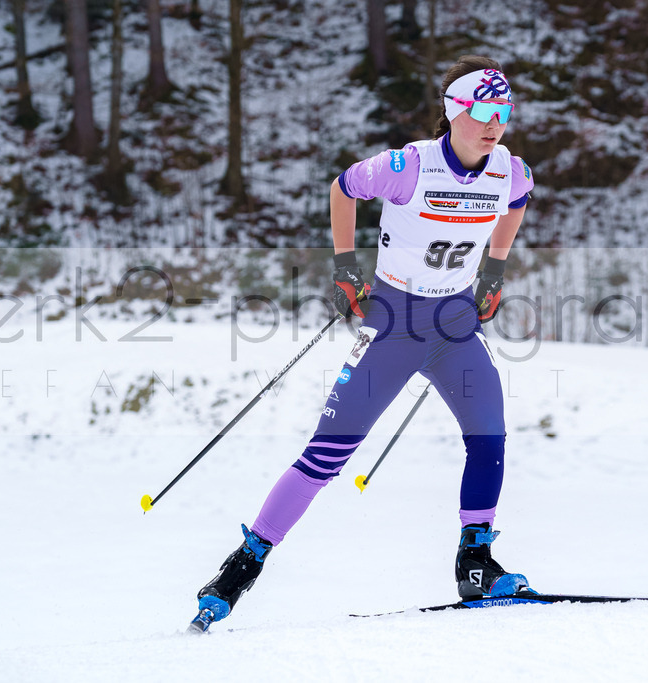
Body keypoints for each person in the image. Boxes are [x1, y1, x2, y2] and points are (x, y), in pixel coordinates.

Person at [193, 55, 535, 628]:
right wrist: (346, 267)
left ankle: (475, 561)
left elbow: (517, 204)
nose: (494, 122)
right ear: (455, 112)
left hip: (453, 326)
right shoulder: (408, 166)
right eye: (483, 110)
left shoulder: (510, 171)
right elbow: (344, 187)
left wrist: (494, 273)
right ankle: (242, 566)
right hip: (394, 324)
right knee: (326, 456)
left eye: (504, 111)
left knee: (489, 433)